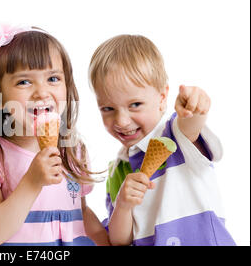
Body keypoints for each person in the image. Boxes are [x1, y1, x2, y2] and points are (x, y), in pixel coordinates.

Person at [0, 24, 110, 246]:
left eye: (53, 79)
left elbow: (82, 213)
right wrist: (32, 181)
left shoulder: (72, 149)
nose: (42, 92)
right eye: (24, 82)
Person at [88, 34, 235, 245]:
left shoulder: (176, 136)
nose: (121, 120)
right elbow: (120, 240)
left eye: (135, 104)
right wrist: (123, 205)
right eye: (108, 108)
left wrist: (195, 106)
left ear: (162, 98)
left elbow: (191, 125)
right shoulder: (117, 170)